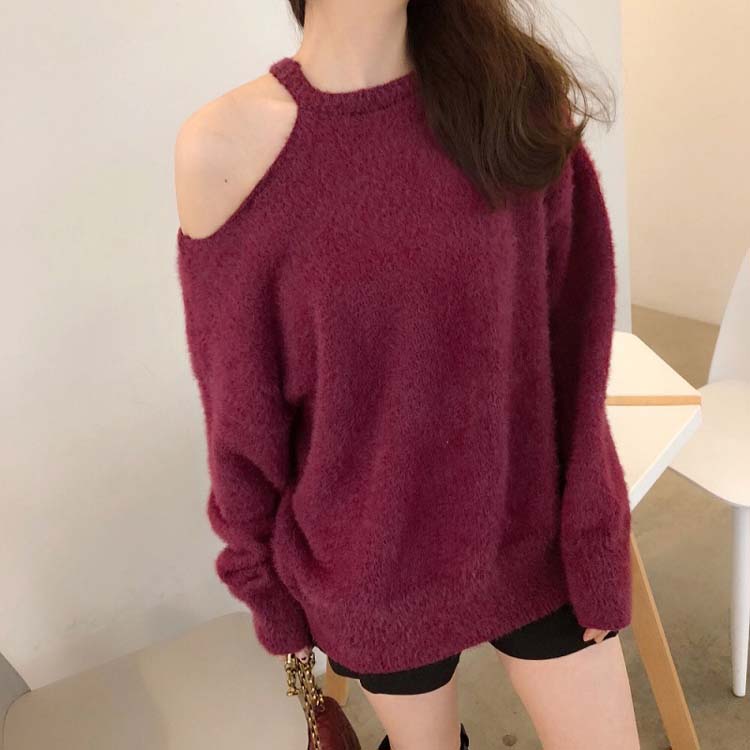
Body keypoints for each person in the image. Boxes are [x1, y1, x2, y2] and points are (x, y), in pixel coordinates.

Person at [173, 1, 640, 748]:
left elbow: (575, 351)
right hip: (371, 569)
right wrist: (268, 594)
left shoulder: (514, 99)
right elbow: (240, 414)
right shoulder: (226, 146)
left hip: (534, 533)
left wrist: (595, 534)